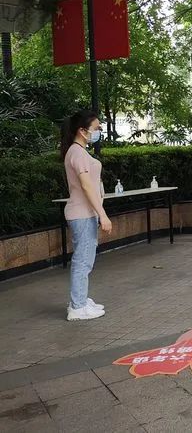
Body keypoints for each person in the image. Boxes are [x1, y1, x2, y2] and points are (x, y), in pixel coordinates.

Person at [61, 110, 112, 321]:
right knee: (82, 261)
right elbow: (86, 186)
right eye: (96, 128)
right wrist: (103, 215)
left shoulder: (79, 152)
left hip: (84, 213)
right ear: (82, 131)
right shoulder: (78, 153)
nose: (99, 131)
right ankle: (77, 306)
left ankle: (80, 299)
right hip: (82, 213)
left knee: (85, 260)